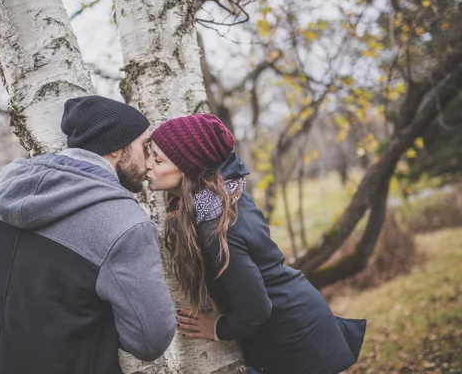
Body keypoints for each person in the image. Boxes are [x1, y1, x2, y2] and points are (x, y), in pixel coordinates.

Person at [145, 114, 366, 374]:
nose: (147, 165)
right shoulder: (226, 195)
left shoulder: (216, 226)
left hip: (294, 337)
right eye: (149, 154)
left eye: (157, 159)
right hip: (294, 317)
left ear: (187, 167)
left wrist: (218, 328)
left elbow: (257, 309)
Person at [0, 96, 176, 374]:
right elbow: (151, 341)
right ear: (117, 149)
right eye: (144, 146)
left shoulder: (6, 186)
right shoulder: (125, 221)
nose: (149, 159)